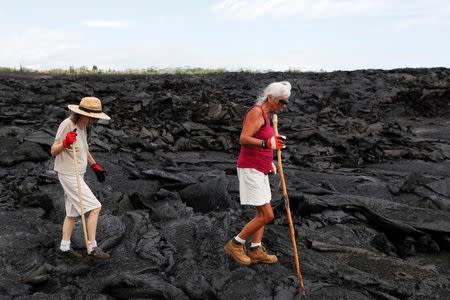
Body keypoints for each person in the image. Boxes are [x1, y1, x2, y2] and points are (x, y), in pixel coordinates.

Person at [224, 81, 291, 265]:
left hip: (261, 168)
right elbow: (244, 139)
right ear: (270, 98)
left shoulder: (268, 114)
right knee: (267, 215)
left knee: (262, 211)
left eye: (286, 102)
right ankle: (235, 244)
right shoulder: (256, 112)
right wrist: (266, 144)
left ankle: (255, 249)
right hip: (250, 168)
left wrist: (268, 160)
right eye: (282, 102)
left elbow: (263, 138)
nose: (284, 106)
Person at [51, 96, 111, 259]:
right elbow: (53, 150)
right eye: (91, 116)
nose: (94, 120)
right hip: (68, 173)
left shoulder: (83, 126)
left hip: (78, 173)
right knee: (95, 207)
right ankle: (92, 247)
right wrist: (65, 143)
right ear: (82, 113)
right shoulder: (67, 125)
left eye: (95, 117)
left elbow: (84, 149)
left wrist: (94, 165)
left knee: (71, 213)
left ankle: (64, 247)